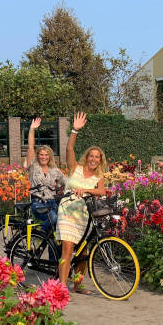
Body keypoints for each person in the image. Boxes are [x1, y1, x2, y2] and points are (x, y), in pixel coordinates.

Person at [57, 112, 107, 295]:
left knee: (83, 253)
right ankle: (62, 290)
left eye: (97, 157)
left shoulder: (98, 177)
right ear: (87, 157)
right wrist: (74, 130)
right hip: (67, 212)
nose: (94, 159)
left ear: (100, 160)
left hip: (83, 216)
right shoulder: (75, 168)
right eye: (91, 156)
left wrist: (86, 191)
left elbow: (102, 191)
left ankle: (77, 286)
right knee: (68, 250)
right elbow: (69, 150)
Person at [26, 117, 67, 235]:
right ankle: (38, 236)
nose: (44, 157)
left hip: (52, 203)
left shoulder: (55, 170)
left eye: (46, 155)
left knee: (58, 230)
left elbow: (66, 182)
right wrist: (32, 129)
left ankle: (52, 250)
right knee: (53, 219)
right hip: (38, 204)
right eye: (41, 155)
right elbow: (30, 148)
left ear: (49, 157)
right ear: (38, 156)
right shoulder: (33, 167)